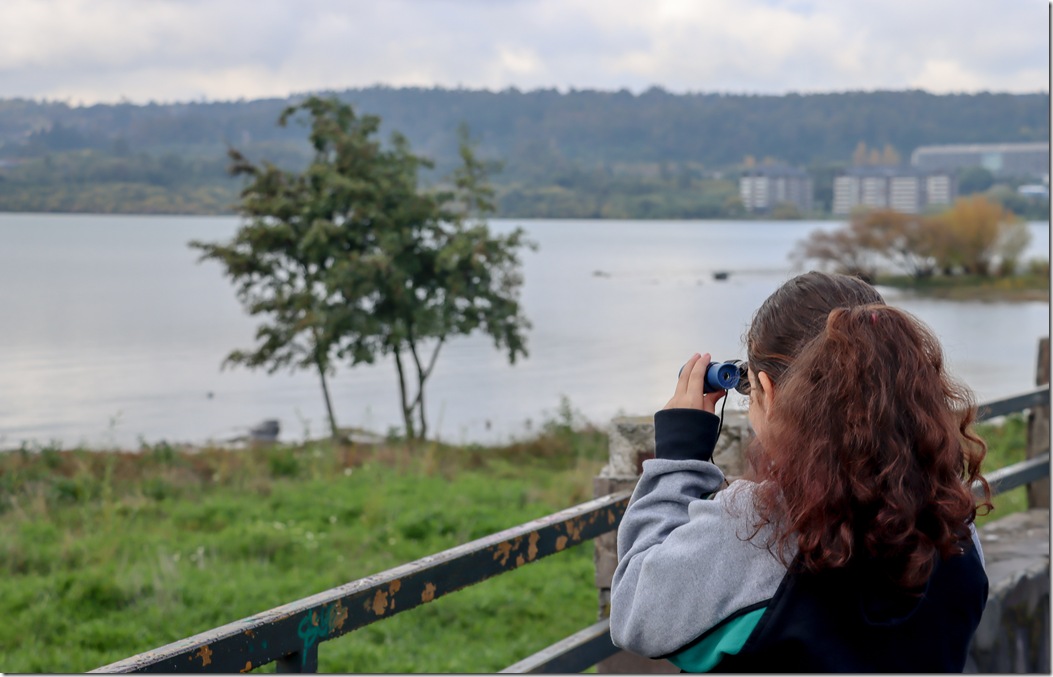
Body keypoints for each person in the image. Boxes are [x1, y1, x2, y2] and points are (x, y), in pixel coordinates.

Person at [609, 271, 991, 672]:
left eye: (750, 392)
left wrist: (678, 459)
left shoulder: (759, 525)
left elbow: (636, 611)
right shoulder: (953, 515)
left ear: (769, 393)